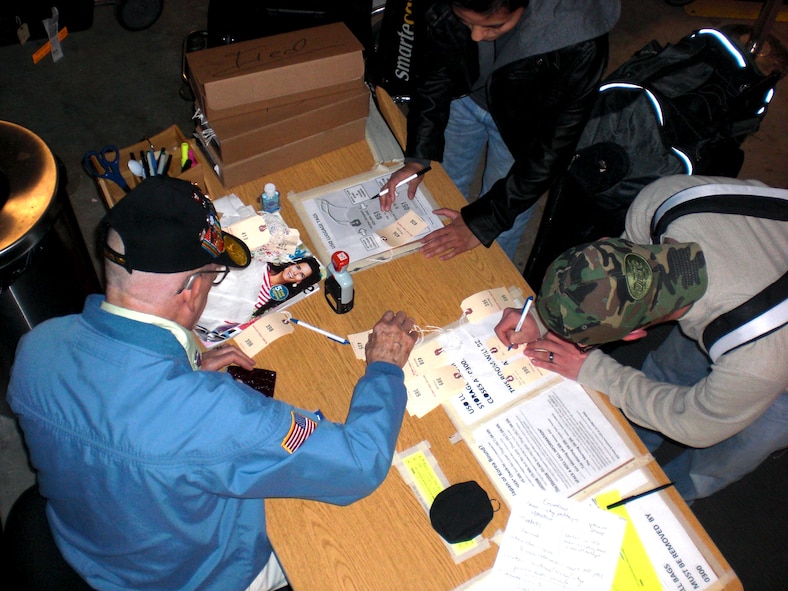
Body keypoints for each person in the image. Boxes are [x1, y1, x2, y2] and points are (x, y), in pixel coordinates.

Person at [7, 176, 418, 591]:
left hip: (91, 544)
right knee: (345, 542)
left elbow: (114, 416)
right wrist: (384, 369)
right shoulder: (215, 414)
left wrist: (183, 369)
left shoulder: (37, 346)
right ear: (190, 291)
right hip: (192, 577)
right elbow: (359, 464)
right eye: (213, 276)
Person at [494, 175, 788, 502]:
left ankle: (668, 498)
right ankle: (624, 449)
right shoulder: (663, 202)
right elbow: (605, 280)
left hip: (772, 345)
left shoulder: (757, 358)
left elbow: (700, 423)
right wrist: (540, 316)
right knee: (670, 370)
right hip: (752, 284)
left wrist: (597, 372)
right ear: (606, 242)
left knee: (741, 444)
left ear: (635, 335)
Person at [379, 0, 620, 262]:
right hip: (462, 97)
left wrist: (485, 223)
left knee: (499, 227)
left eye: (494, 26)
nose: (476, 36)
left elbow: (553, 149)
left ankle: (485, 287)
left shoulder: (581, 40)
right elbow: (436, 73)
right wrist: (418, 156)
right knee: (441, 192)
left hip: (527, 126)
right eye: (466, 22)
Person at [255, 256, 321, 311]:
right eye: (297, 267)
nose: (295, 273)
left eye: (301, 275)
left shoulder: (277, 300)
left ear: (299, 281)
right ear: (292, 264)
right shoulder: (262, 266)